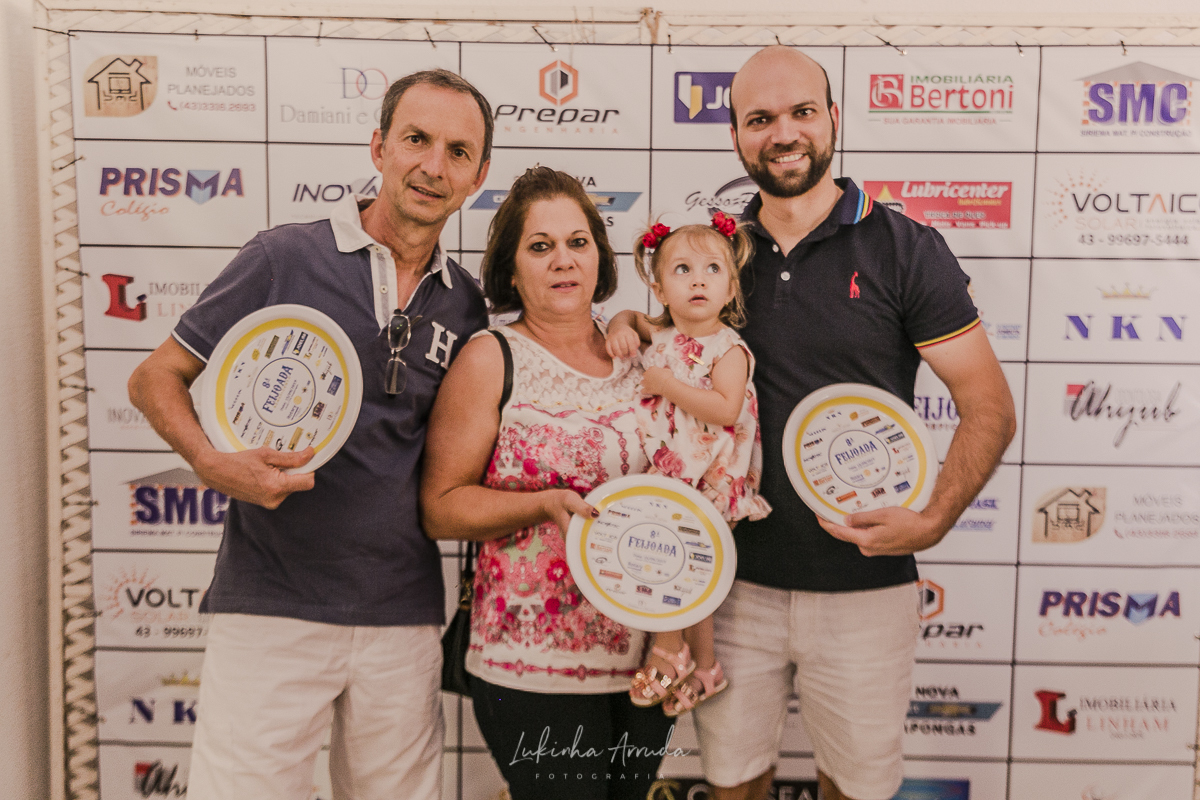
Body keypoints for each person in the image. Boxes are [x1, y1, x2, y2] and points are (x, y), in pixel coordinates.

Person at [126, 69, 493, 800]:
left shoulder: (467, 304)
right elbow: (154, 376)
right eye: (416, 139)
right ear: (379, 147)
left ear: (478, 177)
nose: (433, 165)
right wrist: (209, 461)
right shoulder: (285, 256)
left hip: (403, 615)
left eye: (458, 152)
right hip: (271, 605)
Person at [685, 46, 1015, 800]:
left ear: (834, 119)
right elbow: (661, 353)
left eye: (802, 112)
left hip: (867, 586)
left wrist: (933, 519)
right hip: (729, 583)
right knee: (732, 784)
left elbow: (989, 407)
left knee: (858, 790)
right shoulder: (714, 255)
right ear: (735, 136)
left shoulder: (905, 249)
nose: (783, 133)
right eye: (759, 119)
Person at [421, 166, 676, 800]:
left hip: (643, 661)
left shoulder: (645, 355)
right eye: (540, 246)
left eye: (577, 242)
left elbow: (684, 495)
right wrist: (542, 505)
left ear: (599, 256)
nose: (563, 260)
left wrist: (674, 637)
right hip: (532, 665)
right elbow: (441, 508)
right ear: (511, 270)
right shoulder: (491, 357)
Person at [604, 214, 771, 718]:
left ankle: (668, 648)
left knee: (674, 567)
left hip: (712, 478)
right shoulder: (661, 331)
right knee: (697, 577)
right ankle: (706, 667)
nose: (698, 280)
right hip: (676, 476)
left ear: (730, 288)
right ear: (659, 288)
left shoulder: (729, 349)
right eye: (682, 270)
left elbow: (725, 409)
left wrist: (667, 386)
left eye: (712, 269)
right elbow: (631, 318)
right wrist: (619, 326)